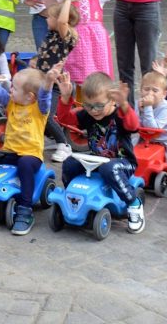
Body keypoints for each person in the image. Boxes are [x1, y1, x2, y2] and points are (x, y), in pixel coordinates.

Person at [0, 63, 62, 235]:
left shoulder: (39, 109)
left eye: (14, 88)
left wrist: (48, 82)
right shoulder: (12, 103)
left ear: (30, 96)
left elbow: (45, 96)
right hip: (8, 153)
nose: (10, 90)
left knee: (24, 165)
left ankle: (25, 210)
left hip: (30, 156)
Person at [56, 71, 145, 234]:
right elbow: (65, 120)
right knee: (70, 162)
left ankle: (134, 204)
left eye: (99, 105)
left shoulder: (119, 114)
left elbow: (133, 126)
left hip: (123, 163)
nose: (94, 110)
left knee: (109, 168)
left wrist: (125, 105)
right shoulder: (88, 115)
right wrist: (65, 98)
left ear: (112, 100)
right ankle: (73, 198)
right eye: (88, 106)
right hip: (96, 160)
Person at [32, 0, 80, 163]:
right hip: (44, 80)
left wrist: (67, 0)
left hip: (55, 84)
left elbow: (61, 21)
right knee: (38, 111)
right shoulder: (52, 34)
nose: (46, 18)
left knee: (46, 114)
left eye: (50, 16)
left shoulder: (66, 36)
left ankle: (64, 145)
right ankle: (52, 138)